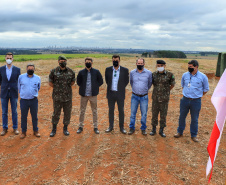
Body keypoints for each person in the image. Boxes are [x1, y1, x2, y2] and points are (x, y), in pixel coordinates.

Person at [174, 60, 209, 142]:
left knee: (194, 119)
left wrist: (197, 96)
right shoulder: (185, 75)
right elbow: (183, 85)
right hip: (185, 100)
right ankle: (179, 132)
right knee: (182, 117)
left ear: (196, 66)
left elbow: (206, 89)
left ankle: (193, 135)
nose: (189, 68)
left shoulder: (203, 77)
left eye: (191, 67)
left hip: (196, 101)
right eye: (188, 66)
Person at [49, 55, 75, 137]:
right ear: (58, 61)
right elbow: (50, 83)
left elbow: (72, 82)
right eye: (61, 61)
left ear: (66, 62)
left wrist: (65, 89)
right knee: (56, 113)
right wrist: (58, 88)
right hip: (57, 97)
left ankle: (65, 128)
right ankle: (54, 129)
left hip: (67, 97)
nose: (63, 62)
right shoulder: (53, 71)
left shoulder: (71, 72)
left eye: (64, 61)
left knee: (67, 113)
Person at [76, 57, 103, 134]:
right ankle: (80, 126)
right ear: (85, 63)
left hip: (93, 95)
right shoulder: (81, 72)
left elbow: (101, 81)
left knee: (94, 111)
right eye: (87, 62)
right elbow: (78, 82)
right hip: (84, 95)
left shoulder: (96, 72)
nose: (88, 63)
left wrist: (95, 87)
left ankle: (95, 127)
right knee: (82, 111)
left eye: (89, 62)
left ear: (92, 63)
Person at [150, 60, 175, 137]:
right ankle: (153, 129)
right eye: (158, 65)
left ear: (164, 66)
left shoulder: (170, 75)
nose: (159, 67)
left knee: (163, 115)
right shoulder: (153, 74)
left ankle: (161, 130)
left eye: (161, 65)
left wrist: (166, 91)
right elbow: (153, 84)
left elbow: (172, 84)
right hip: (155, 98)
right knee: (154, 114)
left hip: (164, 99)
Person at [105, 54, 129, 134]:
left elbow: (126, 81)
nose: (115, 61)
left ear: (119, 61)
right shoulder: (108, 70)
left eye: (116, 60)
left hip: (120, 94)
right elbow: (107, 80)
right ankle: (110, 126)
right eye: (114, 60)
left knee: (121, 111)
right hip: (111, 93)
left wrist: (120, 88)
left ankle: (121, 127)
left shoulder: (125, 70)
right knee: (111, 110)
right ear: (112, 60)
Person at [128, 58, 152, 135]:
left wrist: (143, 90)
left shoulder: (149, 73)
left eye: (141, 63)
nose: (140, 65)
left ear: (144, 64)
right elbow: (131, 82)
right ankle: (132, 128)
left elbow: (149, 83)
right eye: (138, 63)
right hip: (134, 96)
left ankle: (143, 128)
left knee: (144, 114)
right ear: (136, 64)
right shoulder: (132, 73)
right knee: (132, 113)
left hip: (144, 97)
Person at [0, 52, 21, 136]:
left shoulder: (17, 69)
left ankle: (15, 128)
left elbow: (18, 81)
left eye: (10, 58)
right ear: (5, 58)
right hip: (4, 92)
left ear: (13, 59)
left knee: (14, 111)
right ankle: (4, 128)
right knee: (4, 112)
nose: (9, 59)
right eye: (7, 58)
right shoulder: (0, 69)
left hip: (14, 92)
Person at [18, 64, 41, 139]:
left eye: (32, 69)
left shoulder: (37, 78)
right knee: (23, 116)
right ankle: (23, 132)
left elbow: (38, 87)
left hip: (33, 100)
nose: (30, 70)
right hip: (24, 100)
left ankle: (36, 131)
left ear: (34, 69)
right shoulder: (21, 77)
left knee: (34, 116)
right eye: (29, 69)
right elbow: (19, 87)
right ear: (26, 69)